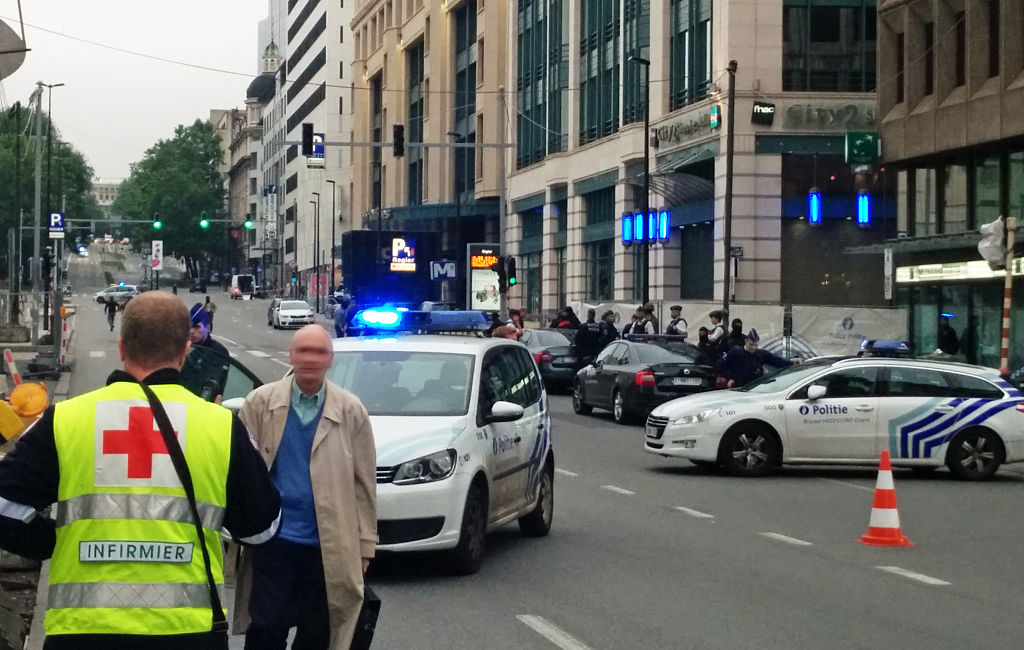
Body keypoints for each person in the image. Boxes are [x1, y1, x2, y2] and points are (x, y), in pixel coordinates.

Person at [0, 291, 282, 650]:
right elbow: (263, 529)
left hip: (83, 630)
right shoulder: (220, 426)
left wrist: (50, 541)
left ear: (121, 347)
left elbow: (3, 506)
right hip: (185, 631)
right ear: (184, 351)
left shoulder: (67, 420)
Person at [234, 325, 377, 649]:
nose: (311, 359)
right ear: (291, 356)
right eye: (304, 351)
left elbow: (364, 483)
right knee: (267, 626)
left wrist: (365, 544)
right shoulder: (260, 403)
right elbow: (243, 472)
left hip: (327, 543)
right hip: (274, 539)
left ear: (330, 360)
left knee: (318, 632)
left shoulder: (351, 411)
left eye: (319, 352)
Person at [717, 330, 795, 388]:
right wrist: (729, 378)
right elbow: (720, 364)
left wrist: (792, 363)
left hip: (757, 388)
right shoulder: (735, 353)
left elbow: (777, 361)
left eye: (756, 345)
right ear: (746, 341)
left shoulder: (761, 354)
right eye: (751, 344)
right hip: (739, 387)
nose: (753, 347)